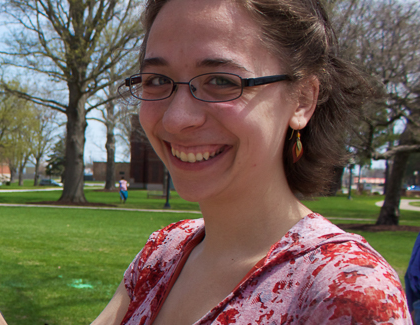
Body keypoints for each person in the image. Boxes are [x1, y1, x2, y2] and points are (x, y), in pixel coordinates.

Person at [90, 0, 409, 323]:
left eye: (222, 81)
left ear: (303, 100)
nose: (176, 119)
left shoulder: (347, 290)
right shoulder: (161, 254)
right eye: (156, 80)